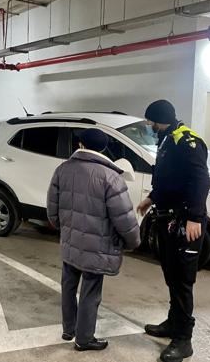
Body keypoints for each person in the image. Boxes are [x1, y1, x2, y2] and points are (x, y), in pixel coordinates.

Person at [47, 128, 141, 352]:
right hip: (97, 248)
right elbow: (124, 219)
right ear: (103, 149)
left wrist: (64, 228)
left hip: (70, 244)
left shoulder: (63, 170)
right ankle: (84, 339)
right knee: (90, 291)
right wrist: (133, 241)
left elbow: (52, 210)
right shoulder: (110, 177)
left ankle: (69, 329)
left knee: (68, 286)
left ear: (81, 145)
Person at [136, 99, 210, 362]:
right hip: (168, 219)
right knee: (171, 274)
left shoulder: (186, 140)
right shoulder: (167, 139)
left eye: (151, 122)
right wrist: (152, 197)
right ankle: (172, 323)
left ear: (160, 118)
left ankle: (184, 339)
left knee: (182, 280)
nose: (150, 127)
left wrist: (195, 218)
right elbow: (170, 178)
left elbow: (200, 180)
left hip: (184, 223)